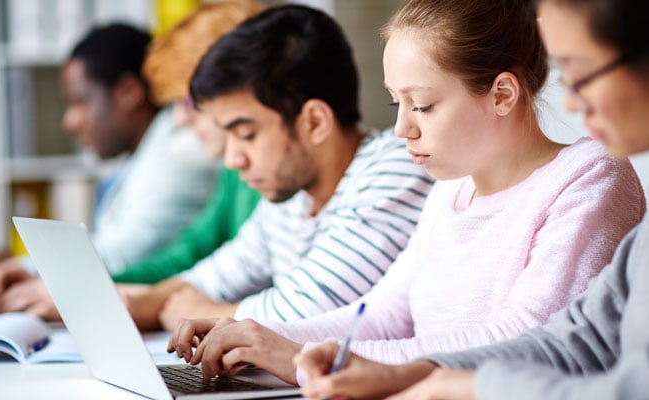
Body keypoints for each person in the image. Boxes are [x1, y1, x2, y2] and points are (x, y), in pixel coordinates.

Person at [166, 0, 646, 386]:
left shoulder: (588, 176)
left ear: (502, 94)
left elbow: (525, 337)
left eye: (423, 105)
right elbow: (380, 314)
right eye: (399, 103)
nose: (401, 128)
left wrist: (304, 357)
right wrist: (262, 339)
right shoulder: (451, 187)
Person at [122, 5, 434, 331]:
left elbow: (303, 314)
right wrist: (137, 303)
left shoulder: (394, 169)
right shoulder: (293, 195)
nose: (232, 159)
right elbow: (213, 277)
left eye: (246, 134)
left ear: (314, 122)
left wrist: (199, 312)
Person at [0, 23, 218, 316]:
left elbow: (124, 255)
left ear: (128, 91)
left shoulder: (183, 151)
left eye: (80, 101)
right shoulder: (142, 155)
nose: (69, 121)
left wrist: (30, 275)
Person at [113, 0, 264, 284]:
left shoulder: (270, 175)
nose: (179, 120)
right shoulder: (232, 172)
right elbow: (188, 253)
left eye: (189, 102)